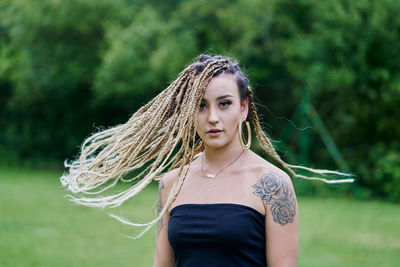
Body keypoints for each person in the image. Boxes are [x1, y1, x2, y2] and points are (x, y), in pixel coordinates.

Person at [60, 54, 354, 267]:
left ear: (243, 108)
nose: (212, 117)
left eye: (223, 104)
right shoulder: (173, 183)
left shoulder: (273, 184)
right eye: (201, 106)